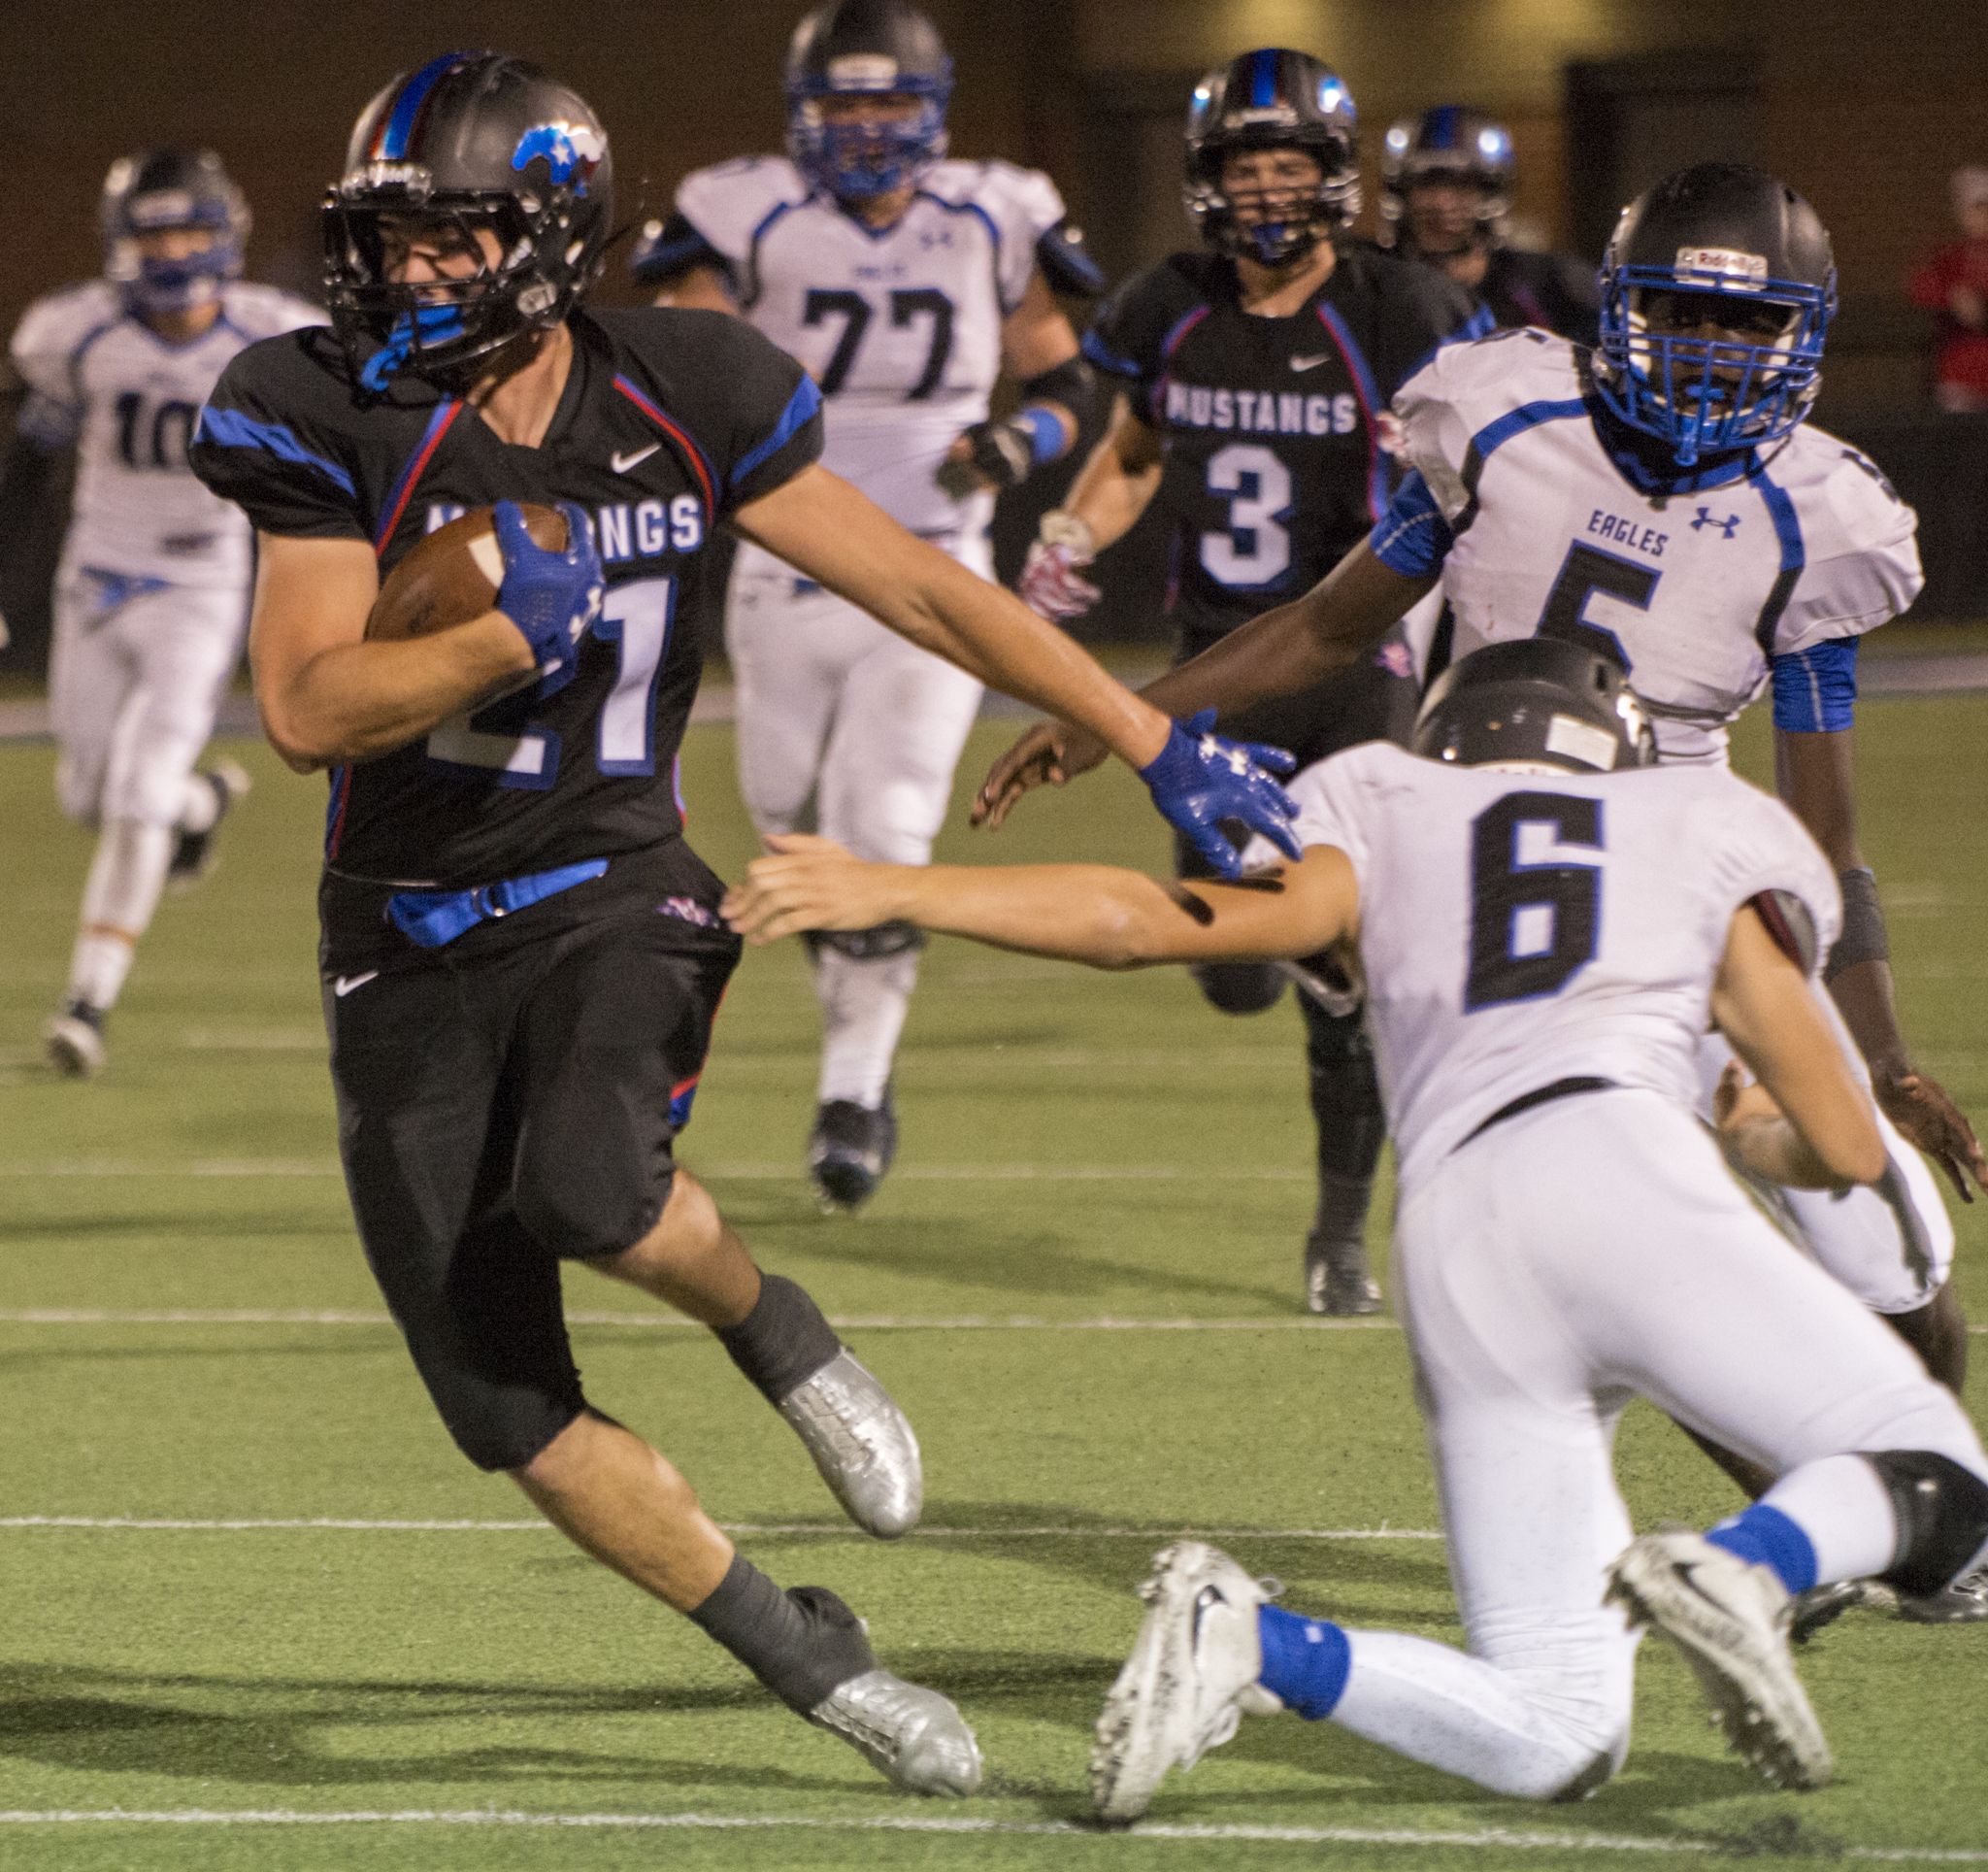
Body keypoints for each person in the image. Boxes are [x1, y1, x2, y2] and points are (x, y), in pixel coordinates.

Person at [187, 51, 1297, 1796]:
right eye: (387, 240)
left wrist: (1155, 737)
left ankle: (775, 1327)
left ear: (551, 235)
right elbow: (311, 709)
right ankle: (813, 1657)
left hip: (610, 874)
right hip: (397, 927)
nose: (408, 276)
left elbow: (926, 580)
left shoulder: (686, 385)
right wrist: (489, 636)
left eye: (449, 240)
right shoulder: (309, 402)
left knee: (588, 1187)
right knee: (497, 1401)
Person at [725, 638, 1988, 1809]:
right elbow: (1837, 1144)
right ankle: (1753, 1572)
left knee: (1558, 1731)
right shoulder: (1696, 817)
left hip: (1455, 1236)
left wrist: (899, 884)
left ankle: (1253, 1640)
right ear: (1617, 743)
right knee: (1939, 1466)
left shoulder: (1384, 806)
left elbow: (1148, 924)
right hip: (1613, 1152)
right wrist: (1746, 1124)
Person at [983, 165, 1987, 1577]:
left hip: (1690, 894)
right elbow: (1333, 629)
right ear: (1620, 313)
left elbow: (1823, 833)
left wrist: (1871, 1044)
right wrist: (1127, 723)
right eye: (1681, 316)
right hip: (1499, 900)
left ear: (1802, 341)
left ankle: (1908, 1510)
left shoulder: (1821, 520)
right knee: (1625, 1252)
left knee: (1902, 1261)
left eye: (1743, 327)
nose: (1707, 353)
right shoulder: (1508, 414)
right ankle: (1796, 1540)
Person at [1014, 48, 1487, 1314]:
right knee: (1230, 969)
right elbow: (1131, 451)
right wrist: (1071, 533)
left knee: (1345, 970)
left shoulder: (1403, 313)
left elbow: (1485, 458)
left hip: (1358, 668)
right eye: (1245, 167)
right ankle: (1275, 946)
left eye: (1291, 168)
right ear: (1206, 181)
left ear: (1336, 181)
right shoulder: (1167, 303)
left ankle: (1340, 1232)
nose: (1269, 193)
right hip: (1213, 668)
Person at [630, 0, 1105, 1211]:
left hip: (935, 564)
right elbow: (680, 363)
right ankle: (853, 1044)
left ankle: (853, 1086)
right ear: (800, 114)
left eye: (888, 101)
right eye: (841, 103)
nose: (865, 127)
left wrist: (1014, 442)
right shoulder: (745, 209)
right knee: (789, 821)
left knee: (883, 824)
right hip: (784, 565)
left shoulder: (993, 212)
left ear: (932, 110)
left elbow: (1064, 377)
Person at [0, 151, 321, 1076]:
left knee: (135, 796)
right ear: (119, 244)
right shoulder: (74, 334)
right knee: (88, 796)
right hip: (94, 583)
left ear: (226, 235)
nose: (173, 250)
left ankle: (86, 1005)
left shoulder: (274, 337)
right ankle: (204, 798)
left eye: (188, 229)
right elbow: (28, 467)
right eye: (153, 232)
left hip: (201, 586)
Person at [1378, 107, 1598, 344]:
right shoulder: (1378, 288)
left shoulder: (1548, 285)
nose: (1442, 203)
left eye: (1461, 185)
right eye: (1426, 184)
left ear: (1490, 193)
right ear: (1402, 191)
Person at [1906, 165, 1988, 413]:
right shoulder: (1951, 257)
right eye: (1973, 209)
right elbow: (1919, 288)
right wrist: (1952, 296)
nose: (1979, 217)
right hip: (1960, 372)